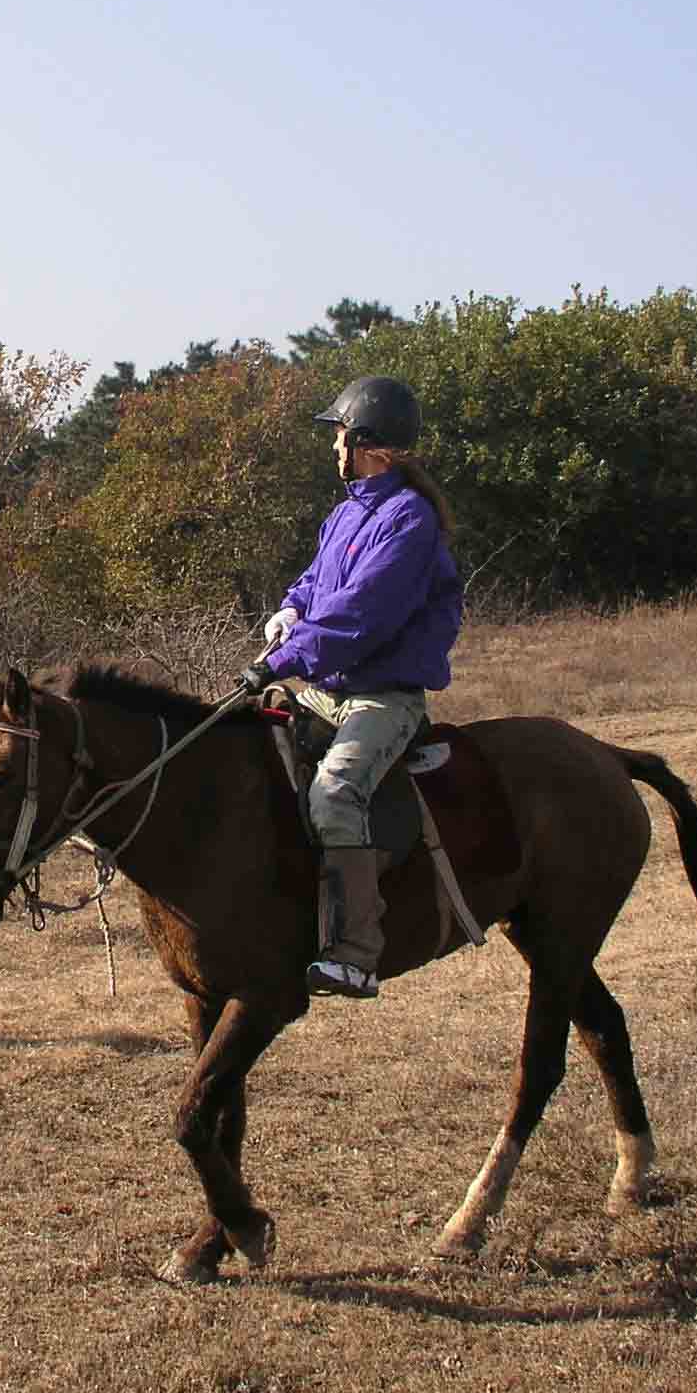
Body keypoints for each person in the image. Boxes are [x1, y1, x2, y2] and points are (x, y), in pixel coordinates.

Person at [238, 375, 463, 1000]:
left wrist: (285, 657)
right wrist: (289, 608)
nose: (332, 445)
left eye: (339, 433)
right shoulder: (345, 514)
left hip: (381, 697)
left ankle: (355, 953)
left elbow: (361, 614)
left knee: (334, 796)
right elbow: (317, 587)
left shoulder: (409, 521)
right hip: (324, 689)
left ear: (365, 443)